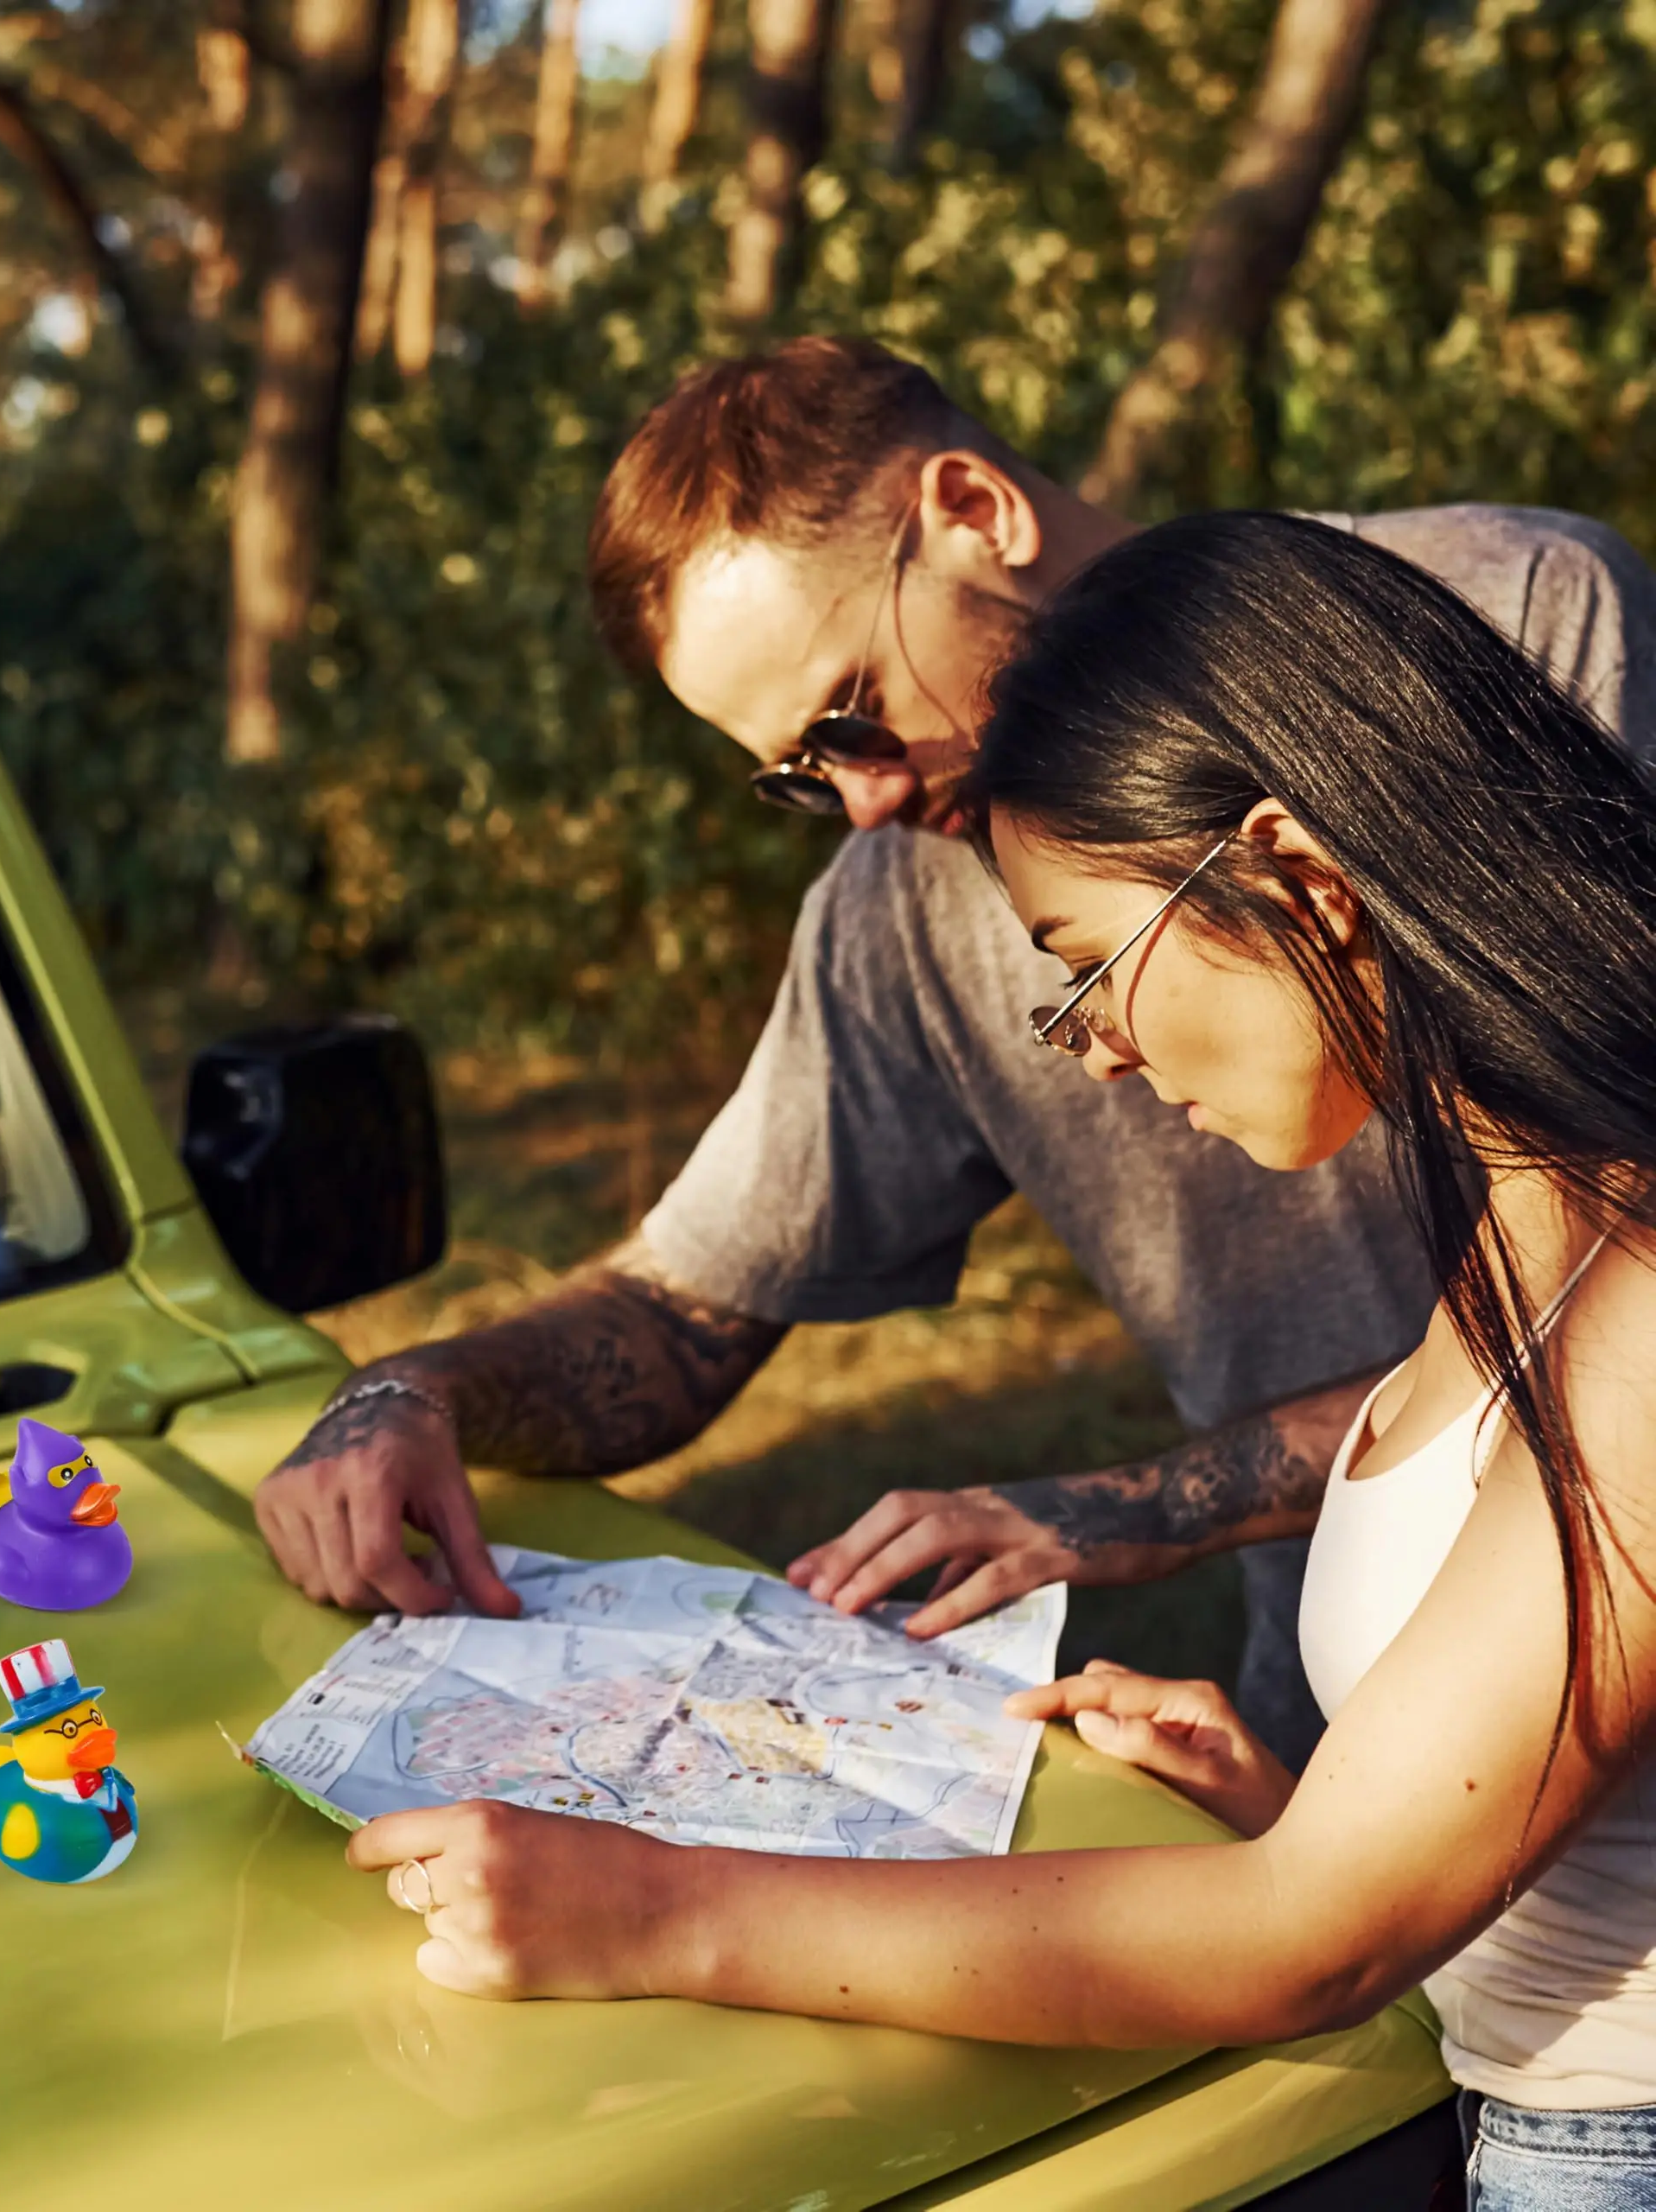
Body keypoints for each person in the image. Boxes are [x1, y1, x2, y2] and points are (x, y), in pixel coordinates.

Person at [346, 512, 1656, 2206]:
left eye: (1082, 966)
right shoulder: (1522, 1207)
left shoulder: (1630, 1278)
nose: (1096, 1050)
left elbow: (1307, 1943)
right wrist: (1297, 1799)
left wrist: (649, 1904)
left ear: (1298, 874)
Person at [253, 335, 1656, 1767]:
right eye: (800, 777)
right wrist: (406, 1393)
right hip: (1338, 1718)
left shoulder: (1516, 621)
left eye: (850, 713)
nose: (860, 801)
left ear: (976, 509)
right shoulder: (902, 903)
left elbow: (1615, 1275)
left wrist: (1130, 1503)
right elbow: (688, 1308)